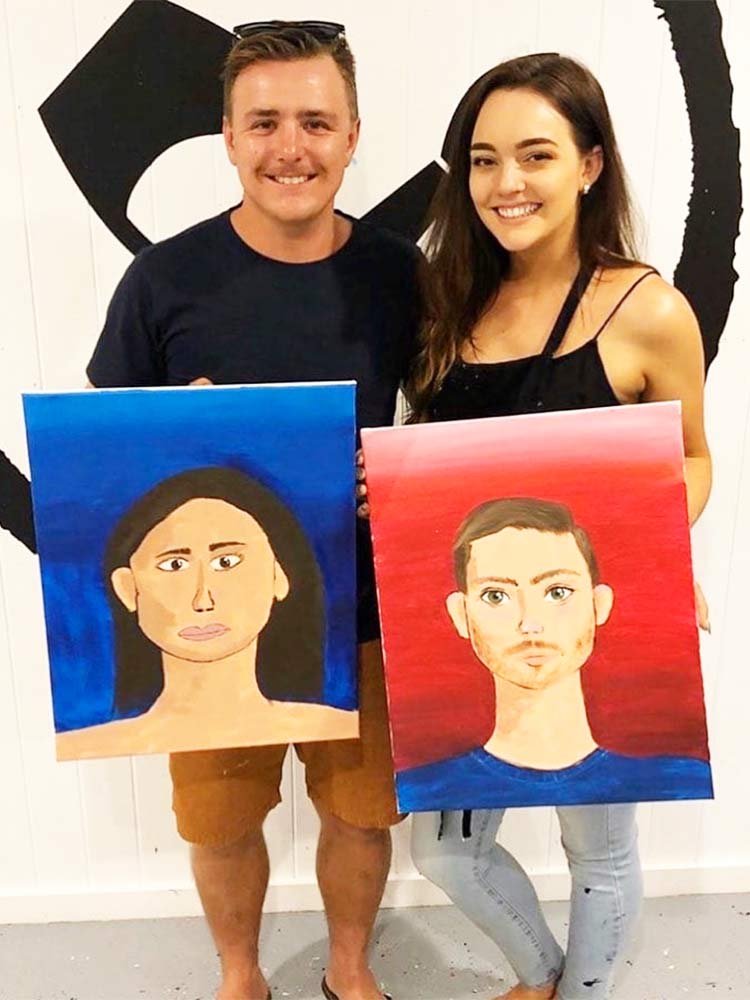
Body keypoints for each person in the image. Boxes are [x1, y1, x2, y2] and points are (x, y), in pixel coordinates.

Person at [86, 21, 420, 1000]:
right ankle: (241, 976)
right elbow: (104, 451)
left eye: (315, 121)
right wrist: (168, 436)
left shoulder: (404, 274)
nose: (291, 147)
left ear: (352, 134)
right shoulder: (162, 280)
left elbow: (454, 412)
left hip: (364, 608)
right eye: (264, 122)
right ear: (228, 137)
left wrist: (397, 469)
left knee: (362, 812)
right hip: (208, 619)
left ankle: (350, 968)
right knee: (221, 820)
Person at [397, 52, 711, 1000]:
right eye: (484, 159)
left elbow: (693, 458)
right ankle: (540, 975)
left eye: (536, 154)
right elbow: (428, 467)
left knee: (598, 849)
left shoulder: (648, 309)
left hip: (586, 624)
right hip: (474, 623)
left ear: (590, 164)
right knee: (445, 851)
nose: (508, 182)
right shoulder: (446, 301)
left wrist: (657, 551)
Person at [397, 496, 712, 810]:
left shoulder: (676, 776)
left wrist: (674, 550)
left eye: (557, 592)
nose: (530, 624)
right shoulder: (423, 786)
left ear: (599, 604)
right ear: (460, 614)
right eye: (496, 596)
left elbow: (693, 470)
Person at [55, 466, 360, 759]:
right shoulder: (84, 742)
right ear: (127, 587)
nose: (203, 599)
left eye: (226, 562)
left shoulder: (341, 723)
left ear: (279, 574)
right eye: (175, 565)